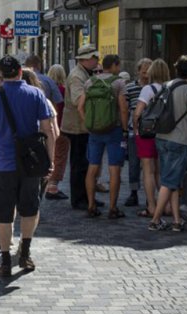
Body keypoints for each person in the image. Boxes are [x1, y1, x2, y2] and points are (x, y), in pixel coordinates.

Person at [0, 55, 56, 278]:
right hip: (31, 164)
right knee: (30, 209)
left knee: (4, 214)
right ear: (20, 72)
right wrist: (50, 159)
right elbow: (48, 130)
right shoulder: (36, 94)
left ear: (0, 74)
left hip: (3, 164)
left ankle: (4, 260)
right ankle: (25, 253)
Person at [147, 56, 187, 231]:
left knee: (171, 180)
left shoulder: (166, 85)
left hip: (162, 137)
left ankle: (176, 221)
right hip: (180, 140)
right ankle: (155, 220)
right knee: (170, 182)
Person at [76, 54, 127, 218]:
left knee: (92, 168)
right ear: (113, 66)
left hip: (94, 131)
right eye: (118, 66)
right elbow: (123, 108)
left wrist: (89, 123)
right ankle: (113, 208)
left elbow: (80, 107)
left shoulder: (90, 82)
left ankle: (91, 205)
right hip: (114, 129)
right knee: (114, 169)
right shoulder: (119, 82)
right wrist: (125, 128)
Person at [61, 44, 103, 210]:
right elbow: (79, 100)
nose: (96, 60)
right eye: (94, 58)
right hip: (77, 127)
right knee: (79, 165)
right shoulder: (77, 76)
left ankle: (87, 195)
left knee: (84, 164)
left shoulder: (85, 73)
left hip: (82, 126)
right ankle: (79, 198)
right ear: (85, 59)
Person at [133, 59, 171, 218]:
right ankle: (167, 206)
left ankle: (152, 206)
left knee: (148, 171)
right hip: (164, 133)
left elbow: (137, 113)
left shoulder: (148, 89)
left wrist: (135, 128)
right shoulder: (170, 89)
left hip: (147, 133)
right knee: (161, 172)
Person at [119, 58, 152, 207]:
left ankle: (149, 195)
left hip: (151, 132)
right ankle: (133, 193)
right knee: (133, 164)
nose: (146, 74)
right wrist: (125, 129)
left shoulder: (154, 88)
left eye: (148, 71)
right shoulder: (130, 87)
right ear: (138, 71)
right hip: (134, 131)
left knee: (149, 166)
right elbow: (124, 109)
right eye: (143, 71)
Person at [44, 64, 70, 200]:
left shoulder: (44, 87)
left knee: (49, 155)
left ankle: (47, 183)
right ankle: (53, 186)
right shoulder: (63, 90)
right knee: (59, 156)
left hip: (47, 126)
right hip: (61, 126)